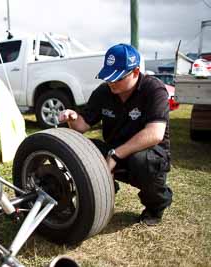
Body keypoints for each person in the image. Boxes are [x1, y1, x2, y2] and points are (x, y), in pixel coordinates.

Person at [59, 43, 172, 226]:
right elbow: (82, 125)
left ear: (135, 72)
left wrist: (115, 155)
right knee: (85, 149)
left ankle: (156, 206)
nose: (111, 82)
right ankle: (104, 189)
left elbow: (155, 134)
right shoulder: (104, 91)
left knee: (141, 161)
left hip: (149, 153)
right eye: (108, 77)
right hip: (114, 151)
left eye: (117, 78)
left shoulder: (154, 89)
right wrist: (72, 116)